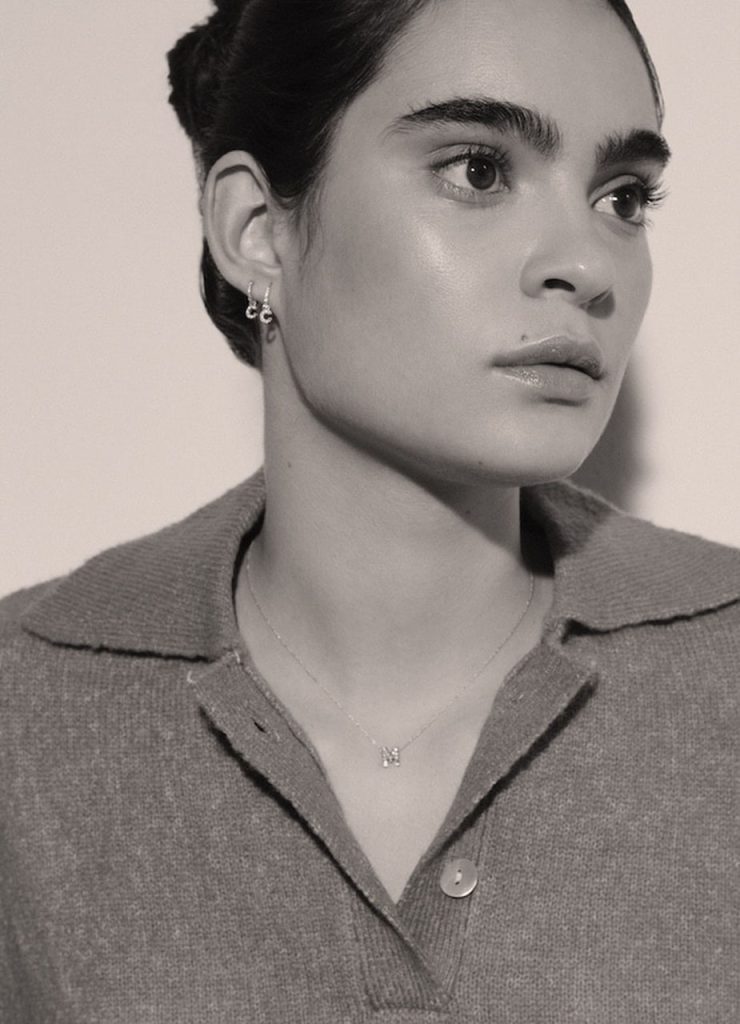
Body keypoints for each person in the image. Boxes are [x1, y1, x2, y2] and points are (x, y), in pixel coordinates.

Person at [1, 0, 738, 1020]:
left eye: (621, 196)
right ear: (257, 232)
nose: (585, 263)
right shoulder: (27, 713)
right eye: (478, 170)